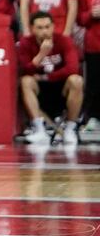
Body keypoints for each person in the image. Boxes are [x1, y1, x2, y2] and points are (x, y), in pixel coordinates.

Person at [18, 10, 83, 146]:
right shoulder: (25, 43)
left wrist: (46, 77)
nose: (45, 31)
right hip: (40, 91)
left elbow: (73, 68)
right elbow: (25, 70)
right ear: (32, 29)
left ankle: (70, 129)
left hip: (61, 88)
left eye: (47, 27)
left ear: (53, 27)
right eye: (40, 28)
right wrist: (42, 54)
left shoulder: (64, 41)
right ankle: (39, 129)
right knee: (26, 81)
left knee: (76, 80)